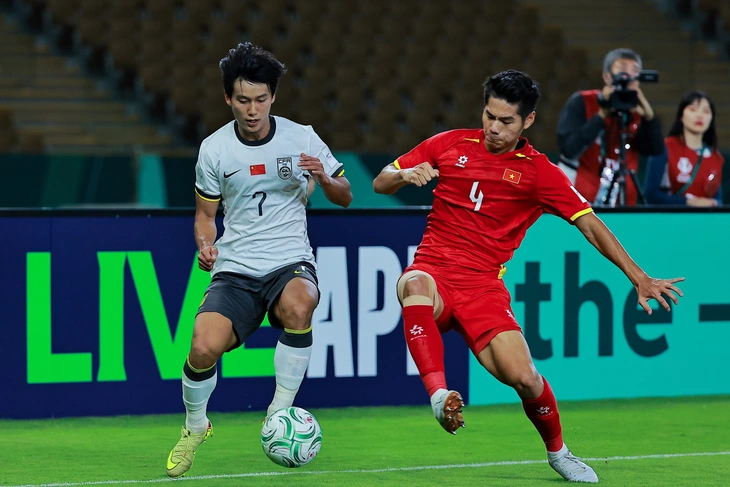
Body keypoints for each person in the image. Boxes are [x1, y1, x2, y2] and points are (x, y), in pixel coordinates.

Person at [373, 70, 684, 483]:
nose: (494, 128)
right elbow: (380, 182)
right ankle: (438, 397)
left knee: (526, 378)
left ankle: (559, 454)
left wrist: (638, 277)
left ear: (528, 121)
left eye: (506, 121)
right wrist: (402, 176)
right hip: (434, 271)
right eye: (489, 116)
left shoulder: (539, 172)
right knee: (413, 285)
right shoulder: (449, 143)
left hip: (483, 288)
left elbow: (590, 224)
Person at [165, 42, 352, 478]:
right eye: (243, 100)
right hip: (236, 268)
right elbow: (205, 216)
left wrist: (323, 178)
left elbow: (345, 196)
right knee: (202, 347)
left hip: (289, 260)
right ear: (228, 98)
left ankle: (278, 412)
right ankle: (196, 426)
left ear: (273, 97)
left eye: (261, 99)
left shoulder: (301, 137)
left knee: (301, 304)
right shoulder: (214, 149)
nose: (252, 110)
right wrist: (205, 245)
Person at [556, 48, 664, 206]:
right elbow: (569, 149)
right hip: (578, 200)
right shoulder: (582, 101)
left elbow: (654, 150)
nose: (629, 77)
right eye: (622, 70)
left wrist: (650, 119)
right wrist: (601, 116)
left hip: (622, 202)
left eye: (635, 71)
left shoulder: (637, 112)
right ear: (607, 77)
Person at [644, 91, 724, 206]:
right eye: (693, 109)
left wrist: (713, 203)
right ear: (681, 116)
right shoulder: (664, 147)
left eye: (706, 111)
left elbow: (718, 199)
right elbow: (651, 195)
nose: (700, 115)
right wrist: (688, 202)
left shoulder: (716, 158)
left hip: (705, 217)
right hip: (671, 216)